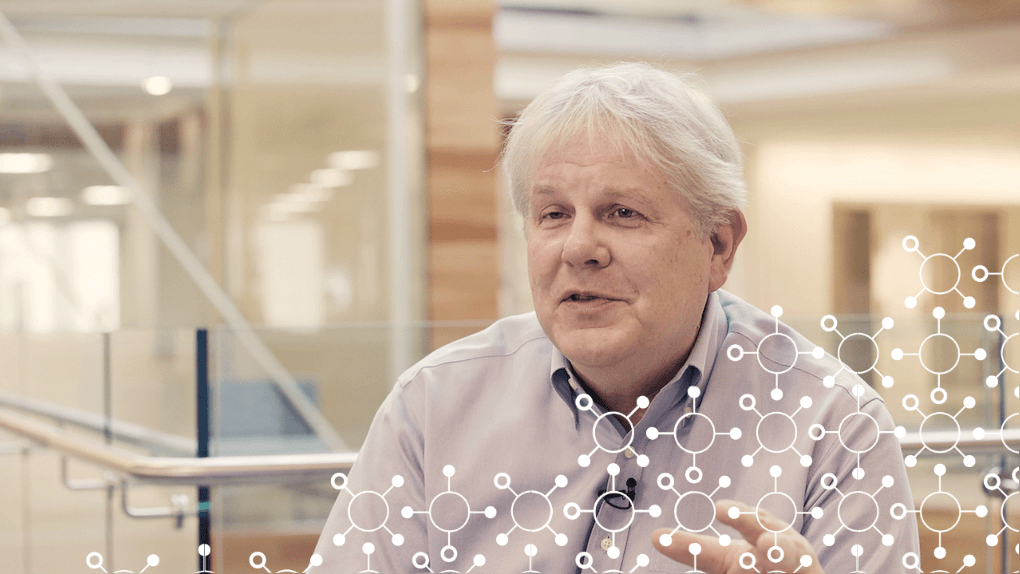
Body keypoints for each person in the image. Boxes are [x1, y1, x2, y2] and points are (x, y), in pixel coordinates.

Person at [313, 62, 919, 573]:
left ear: (719, 245)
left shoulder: (836, 426)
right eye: (553, 214)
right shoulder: (433, 406)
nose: (579, 247)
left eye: (623, 213)